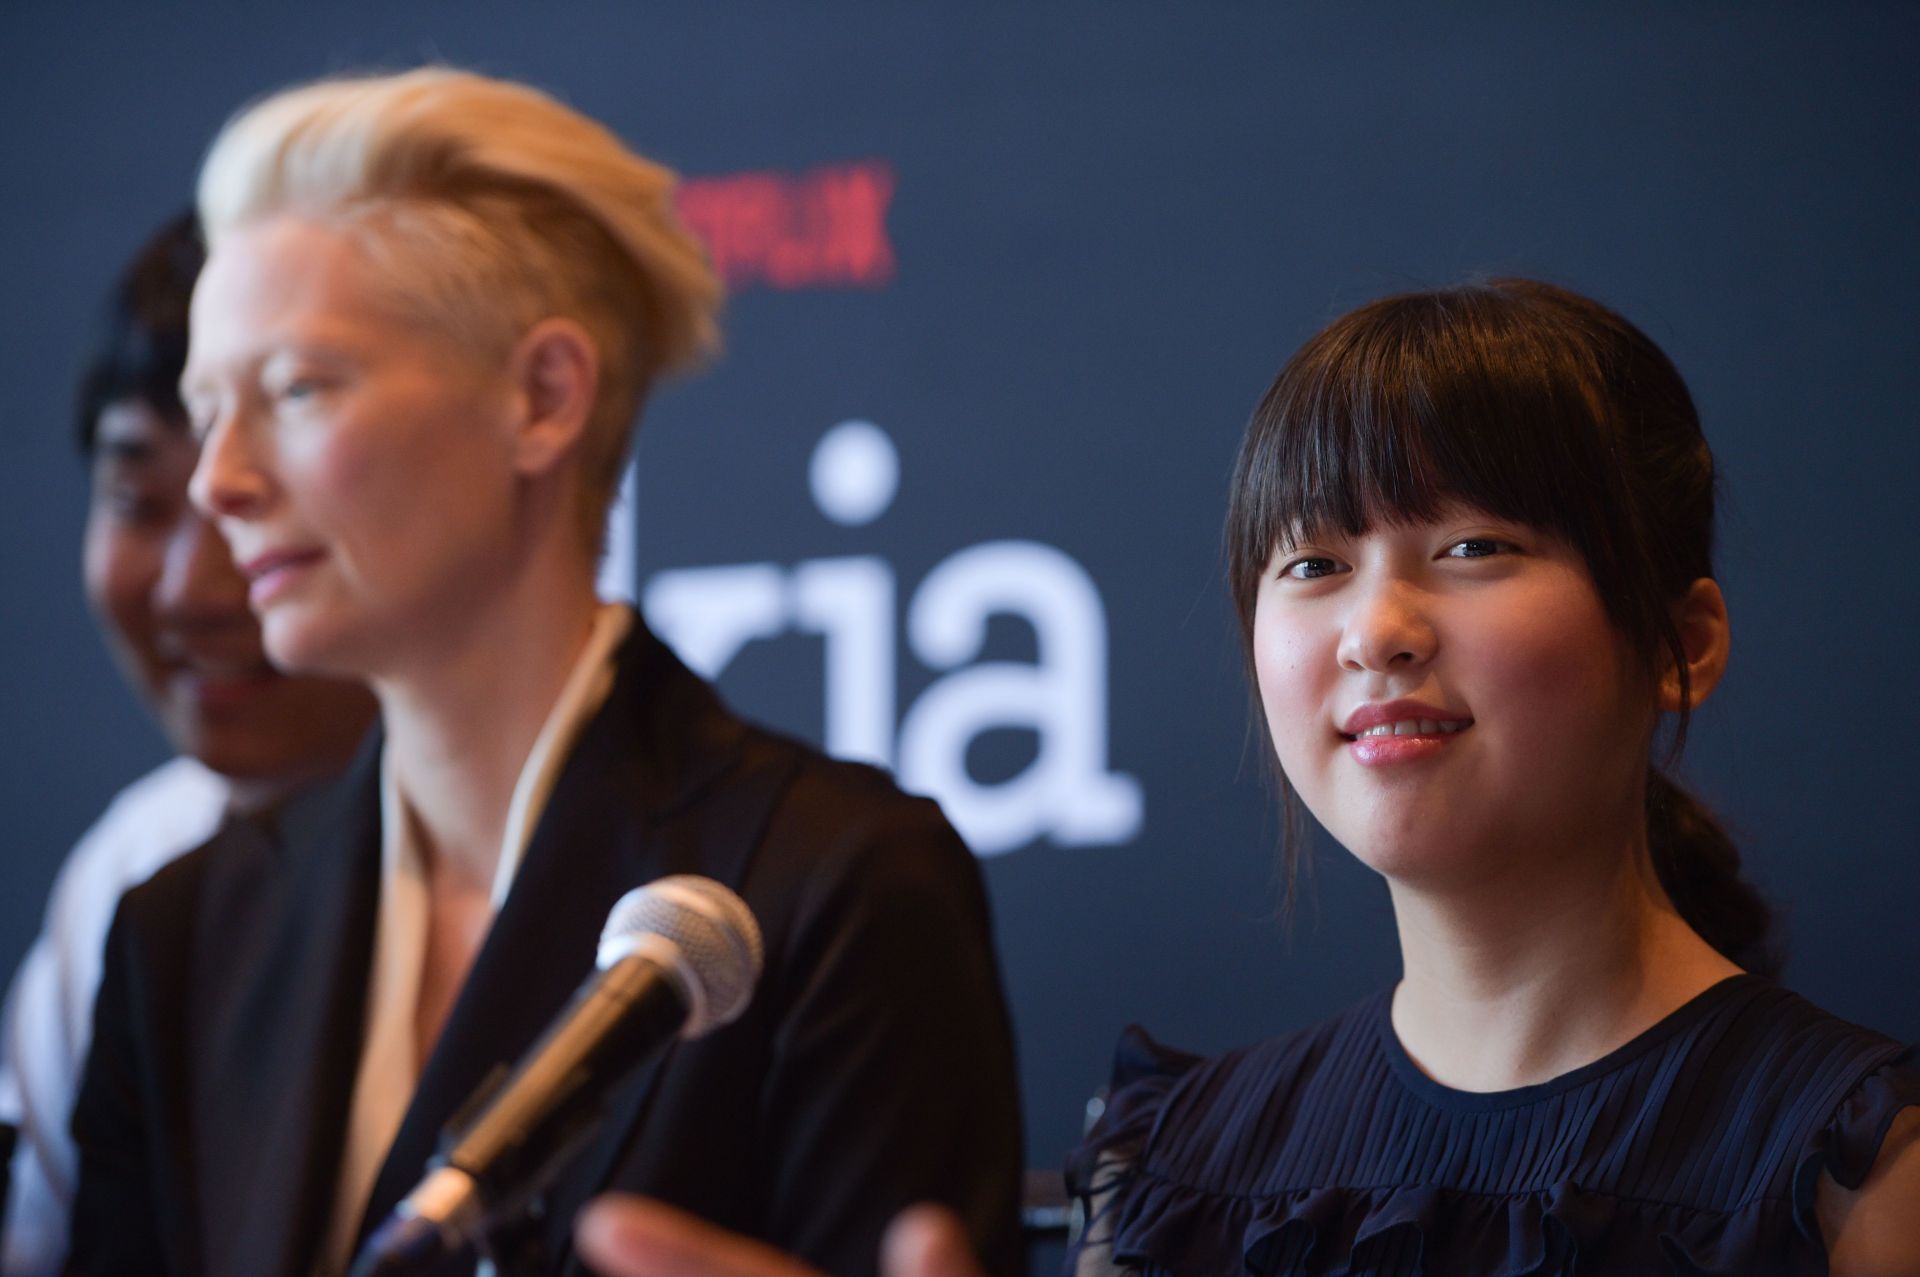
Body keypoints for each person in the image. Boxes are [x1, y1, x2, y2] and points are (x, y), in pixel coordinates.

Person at [573, 280, 1920, 1277]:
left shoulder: (1855, 1165)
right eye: (1313, 563)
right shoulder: (1181, 1166)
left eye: (1473, 547)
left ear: (1681, 646)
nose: (1376, 629)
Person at [62, 69, 1022, 1277]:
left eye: (297, 389)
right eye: (210, 411)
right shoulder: (182, 927)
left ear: (542, 396)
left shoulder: (833, 888)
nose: (218, 483)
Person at [0, 214, 376, 1277]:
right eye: (138, 500)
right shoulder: (136, 866)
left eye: (259, 507)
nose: (190, 587)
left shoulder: (563, 850)